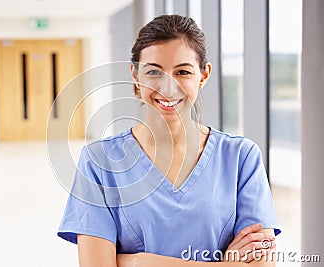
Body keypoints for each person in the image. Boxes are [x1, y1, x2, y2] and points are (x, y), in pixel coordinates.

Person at [57, 15, 280, 266]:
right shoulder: (99, 162)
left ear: (203, 75)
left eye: (183, 71)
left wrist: (138, 262)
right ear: (135, 75)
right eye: (153, 71)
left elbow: (262, 263)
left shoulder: (240, 157)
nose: (168, 87)